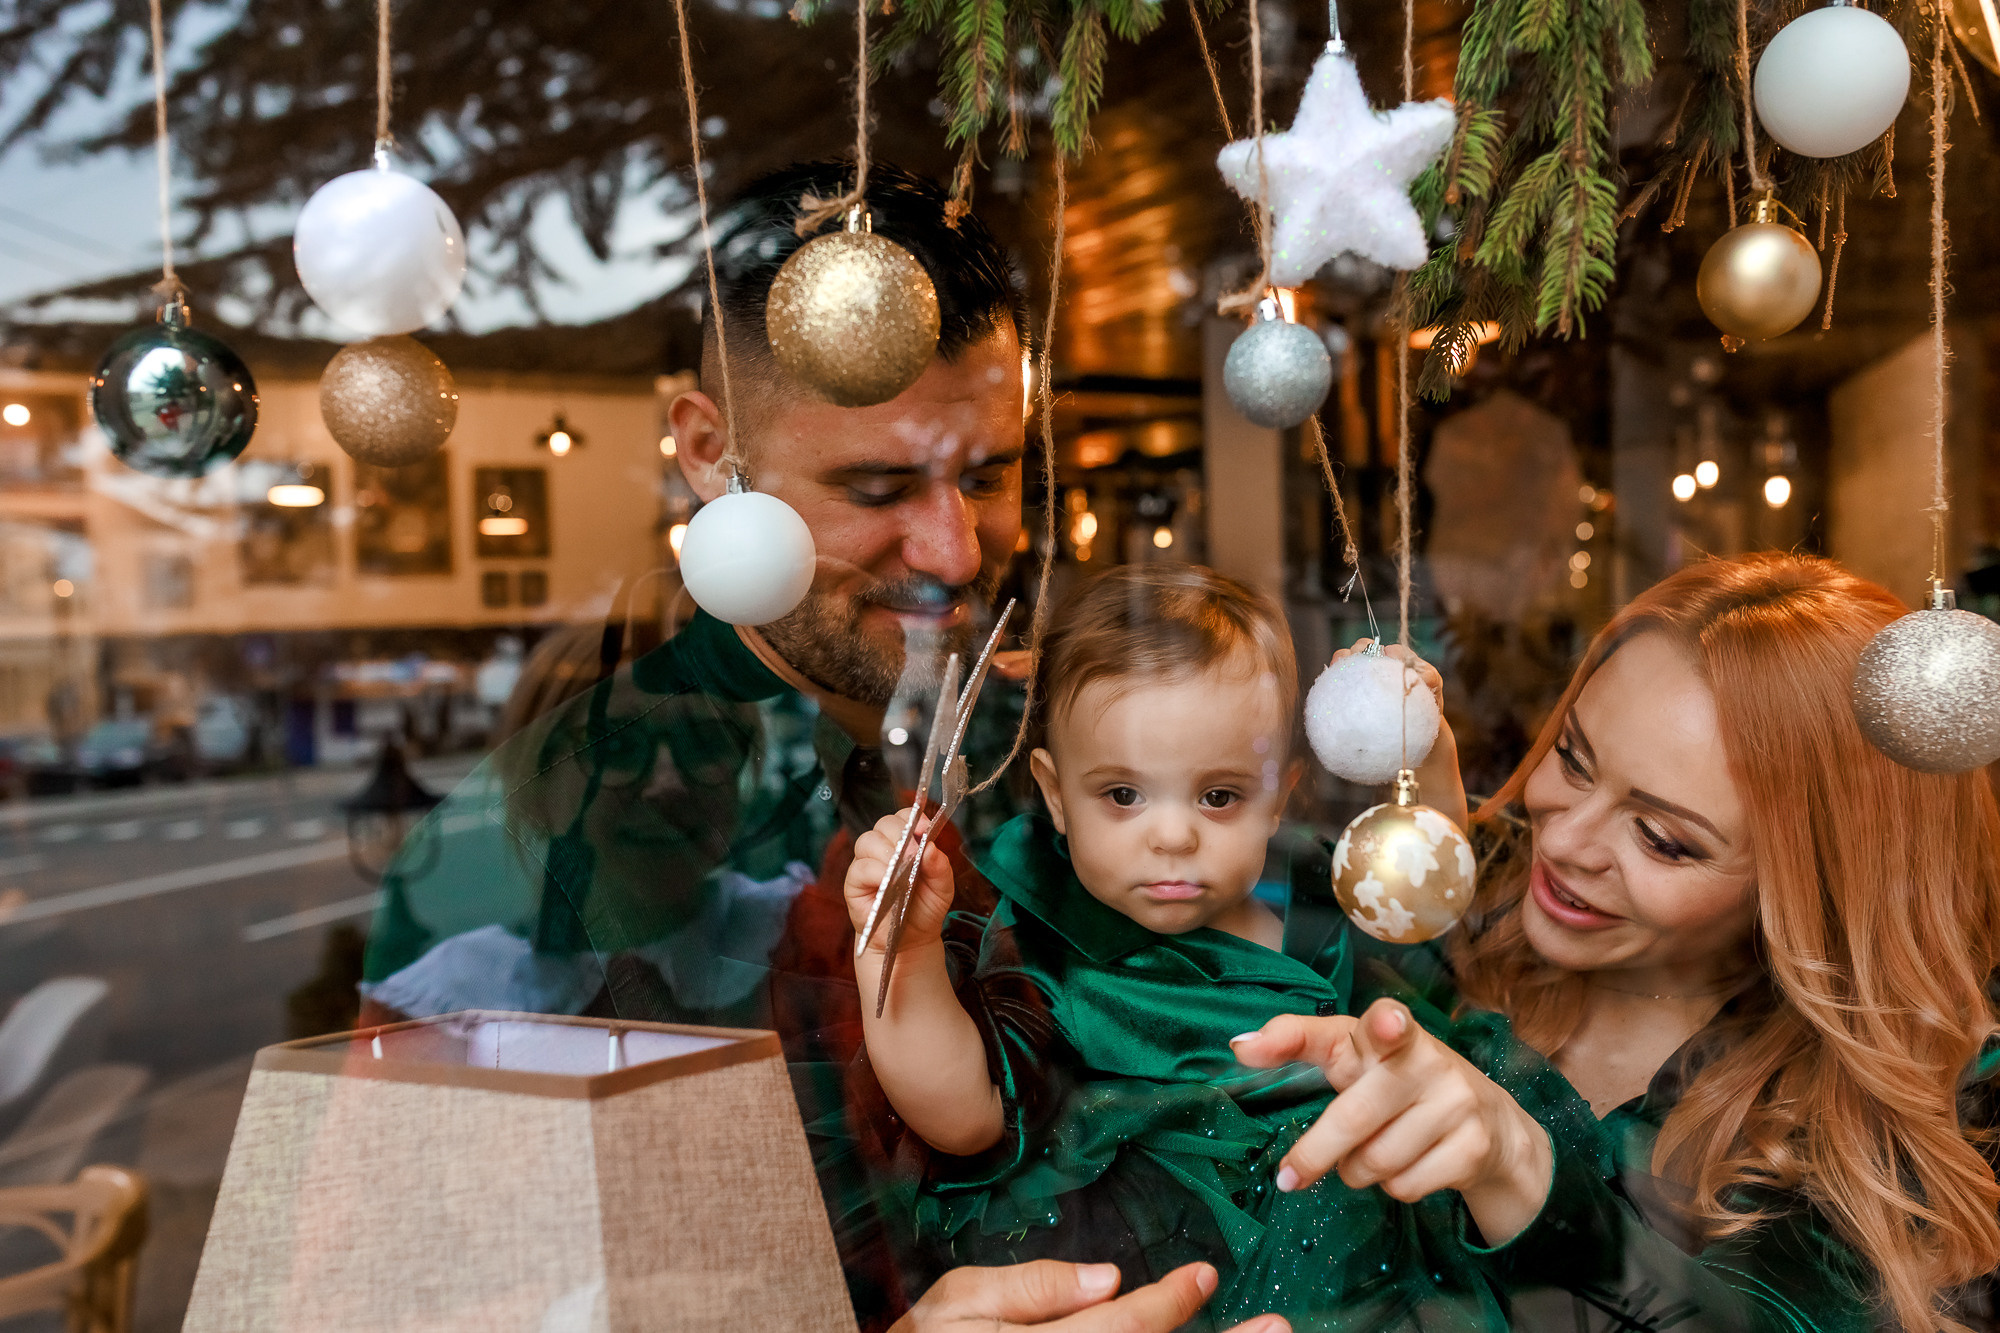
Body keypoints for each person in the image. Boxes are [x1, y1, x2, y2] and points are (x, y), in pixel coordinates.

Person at [1229, 553, 2000, 1332]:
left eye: (1663, 838)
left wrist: (1523, 1172)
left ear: (1806, 890)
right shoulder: (1460, 928)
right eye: (1572, 757)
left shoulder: (1841, 1138)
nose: (1565, 840)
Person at [844, 564, 1533, 1331]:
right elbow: (962, 1116)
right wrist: (903, 958)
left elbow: (1422, 894)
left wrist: (1423, 753)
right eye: (1123, 795)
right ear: (1054, 794)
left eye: (1219, 795)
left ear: (1277, 799)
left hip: (1343, 1274)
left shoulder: (1315, 915)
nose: (1173, 835)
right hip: (1141, 1271)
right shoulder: (1040, 941)